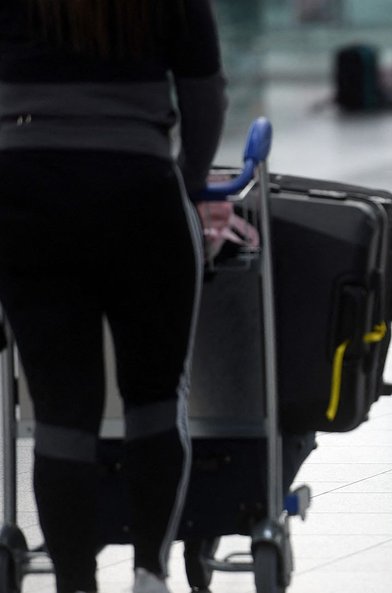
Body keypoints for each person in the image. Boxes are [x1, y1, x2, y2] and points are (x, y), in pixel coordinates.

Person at [0, 1, 226, 592]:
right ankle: (150, 572)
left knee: (59, 414)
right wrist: (190, 181)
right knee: (154, 398)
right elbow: (205, 95)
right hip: (140, 192)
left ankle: (75, 583)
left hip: (26, 198)